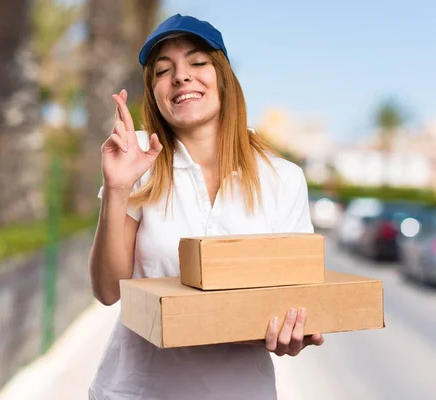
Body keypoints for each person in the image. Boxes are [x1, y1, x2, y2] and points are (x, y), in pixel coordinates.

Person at [88, 13, 324, 400]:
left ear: (224, 78)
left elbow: (296, 300)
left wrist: (294, 332)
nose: (181, 76)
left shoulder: (283, 179)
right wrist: (116, 186)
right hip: (137, 391)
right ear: (155, 93)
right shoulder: (139, 164)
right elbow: (108, 290)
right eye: (164, 70)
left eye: (198, 63)